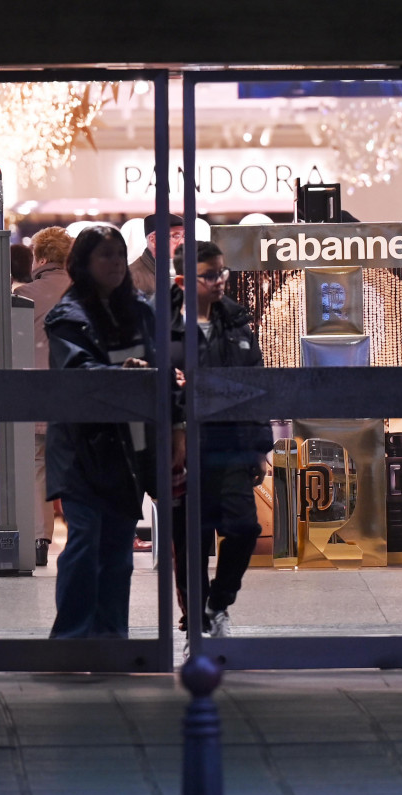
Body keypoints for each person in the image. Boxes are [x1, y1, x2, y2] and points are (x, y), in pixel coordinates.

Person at [44, 224, 184, 638]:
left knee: (118, 552)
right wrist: (123, 373)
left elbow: (163, 370)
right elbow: (78, 374)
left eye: (120, 254)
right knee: (85, 543)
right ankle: (70, 641)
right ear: (83, 263)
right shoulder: (68, 315)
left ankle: (111, 641)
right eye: (105, 255)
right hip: (84, 449)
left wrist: (175, 427)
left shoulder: (140, 310)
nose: (116, 263)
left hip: (132, 448)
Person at [170, 240, 273, 640]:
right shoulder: (163, 326)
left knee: (245, 528)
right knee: (191, 543)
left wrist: (258, 448)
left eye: (222, 273)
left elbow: (257, 387)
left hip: (231, 445)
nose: (220, 282)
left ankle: (217, 605)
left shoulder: (236, 324)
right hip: (185, 448)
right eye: (209, 275)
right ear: (184, 279)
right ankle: (195, 625)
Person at [13, 225, 72, 566]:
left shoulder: (23, 296)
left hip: (35, 395)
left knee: (38, 466)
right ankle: (79, 538)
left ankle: (39, 540)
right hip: (76, 397)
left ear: (43, 257)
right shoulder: (85, 293)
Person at [129, 213, 184, 299]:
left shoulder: (182, 270)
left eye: (185, 236)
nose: (182, 242)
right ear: (153, 240)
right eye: (176, 236)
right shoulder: (132, 277)